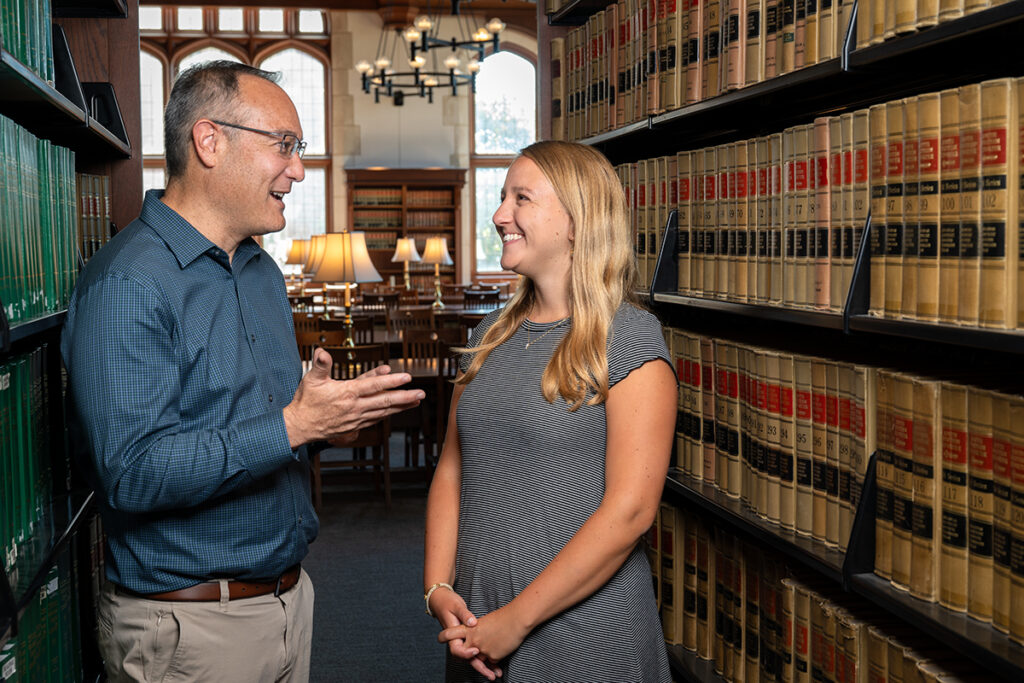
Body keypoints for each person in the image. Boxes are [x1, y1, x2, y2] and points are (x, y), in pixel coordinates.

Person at [61, 61, 424, 682]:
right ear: (209, 142)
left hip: (286, 603)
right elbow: (133, 475)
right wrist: (291, 425)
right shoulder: (130, 283)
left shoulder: (259, 272)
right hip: (191, 631)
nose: (299, 168)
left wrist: (323, 422)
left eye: (299, 148)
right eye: (284, 145)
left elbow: (262, 428)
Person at [423, 140, 677, 682]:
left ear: (577, 222)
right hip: (477, 625)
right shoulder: (488, 336)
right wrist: (438, 586)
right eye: (501, 197)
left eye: (522, 198)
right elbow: (452, 468)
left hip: (589, 633)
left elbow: (631, 510)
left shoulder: (629, 338)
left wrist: (514, 622)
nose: (498, 215)